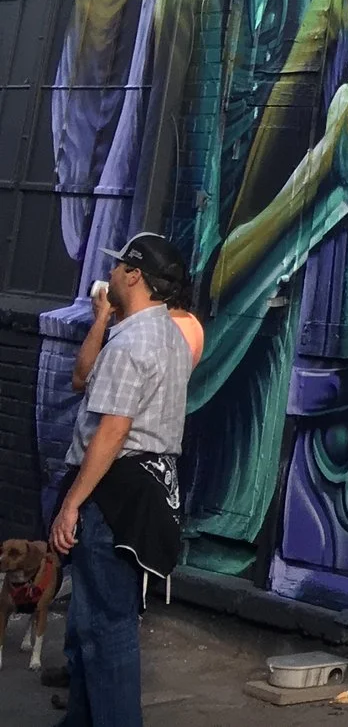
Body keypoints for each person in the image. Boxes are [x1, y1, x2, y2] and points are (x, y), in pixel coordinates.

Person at [49, 233, 194, 727]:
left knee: (106, 628)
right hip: (150, 490)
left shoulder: (133, 341)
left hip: (115, 494)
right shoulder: (169, 335)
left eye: (116, 267)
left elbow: (112, 431)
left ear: (134, 275)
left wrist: (72, 503)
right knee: (94, 622)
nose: (108, 274)